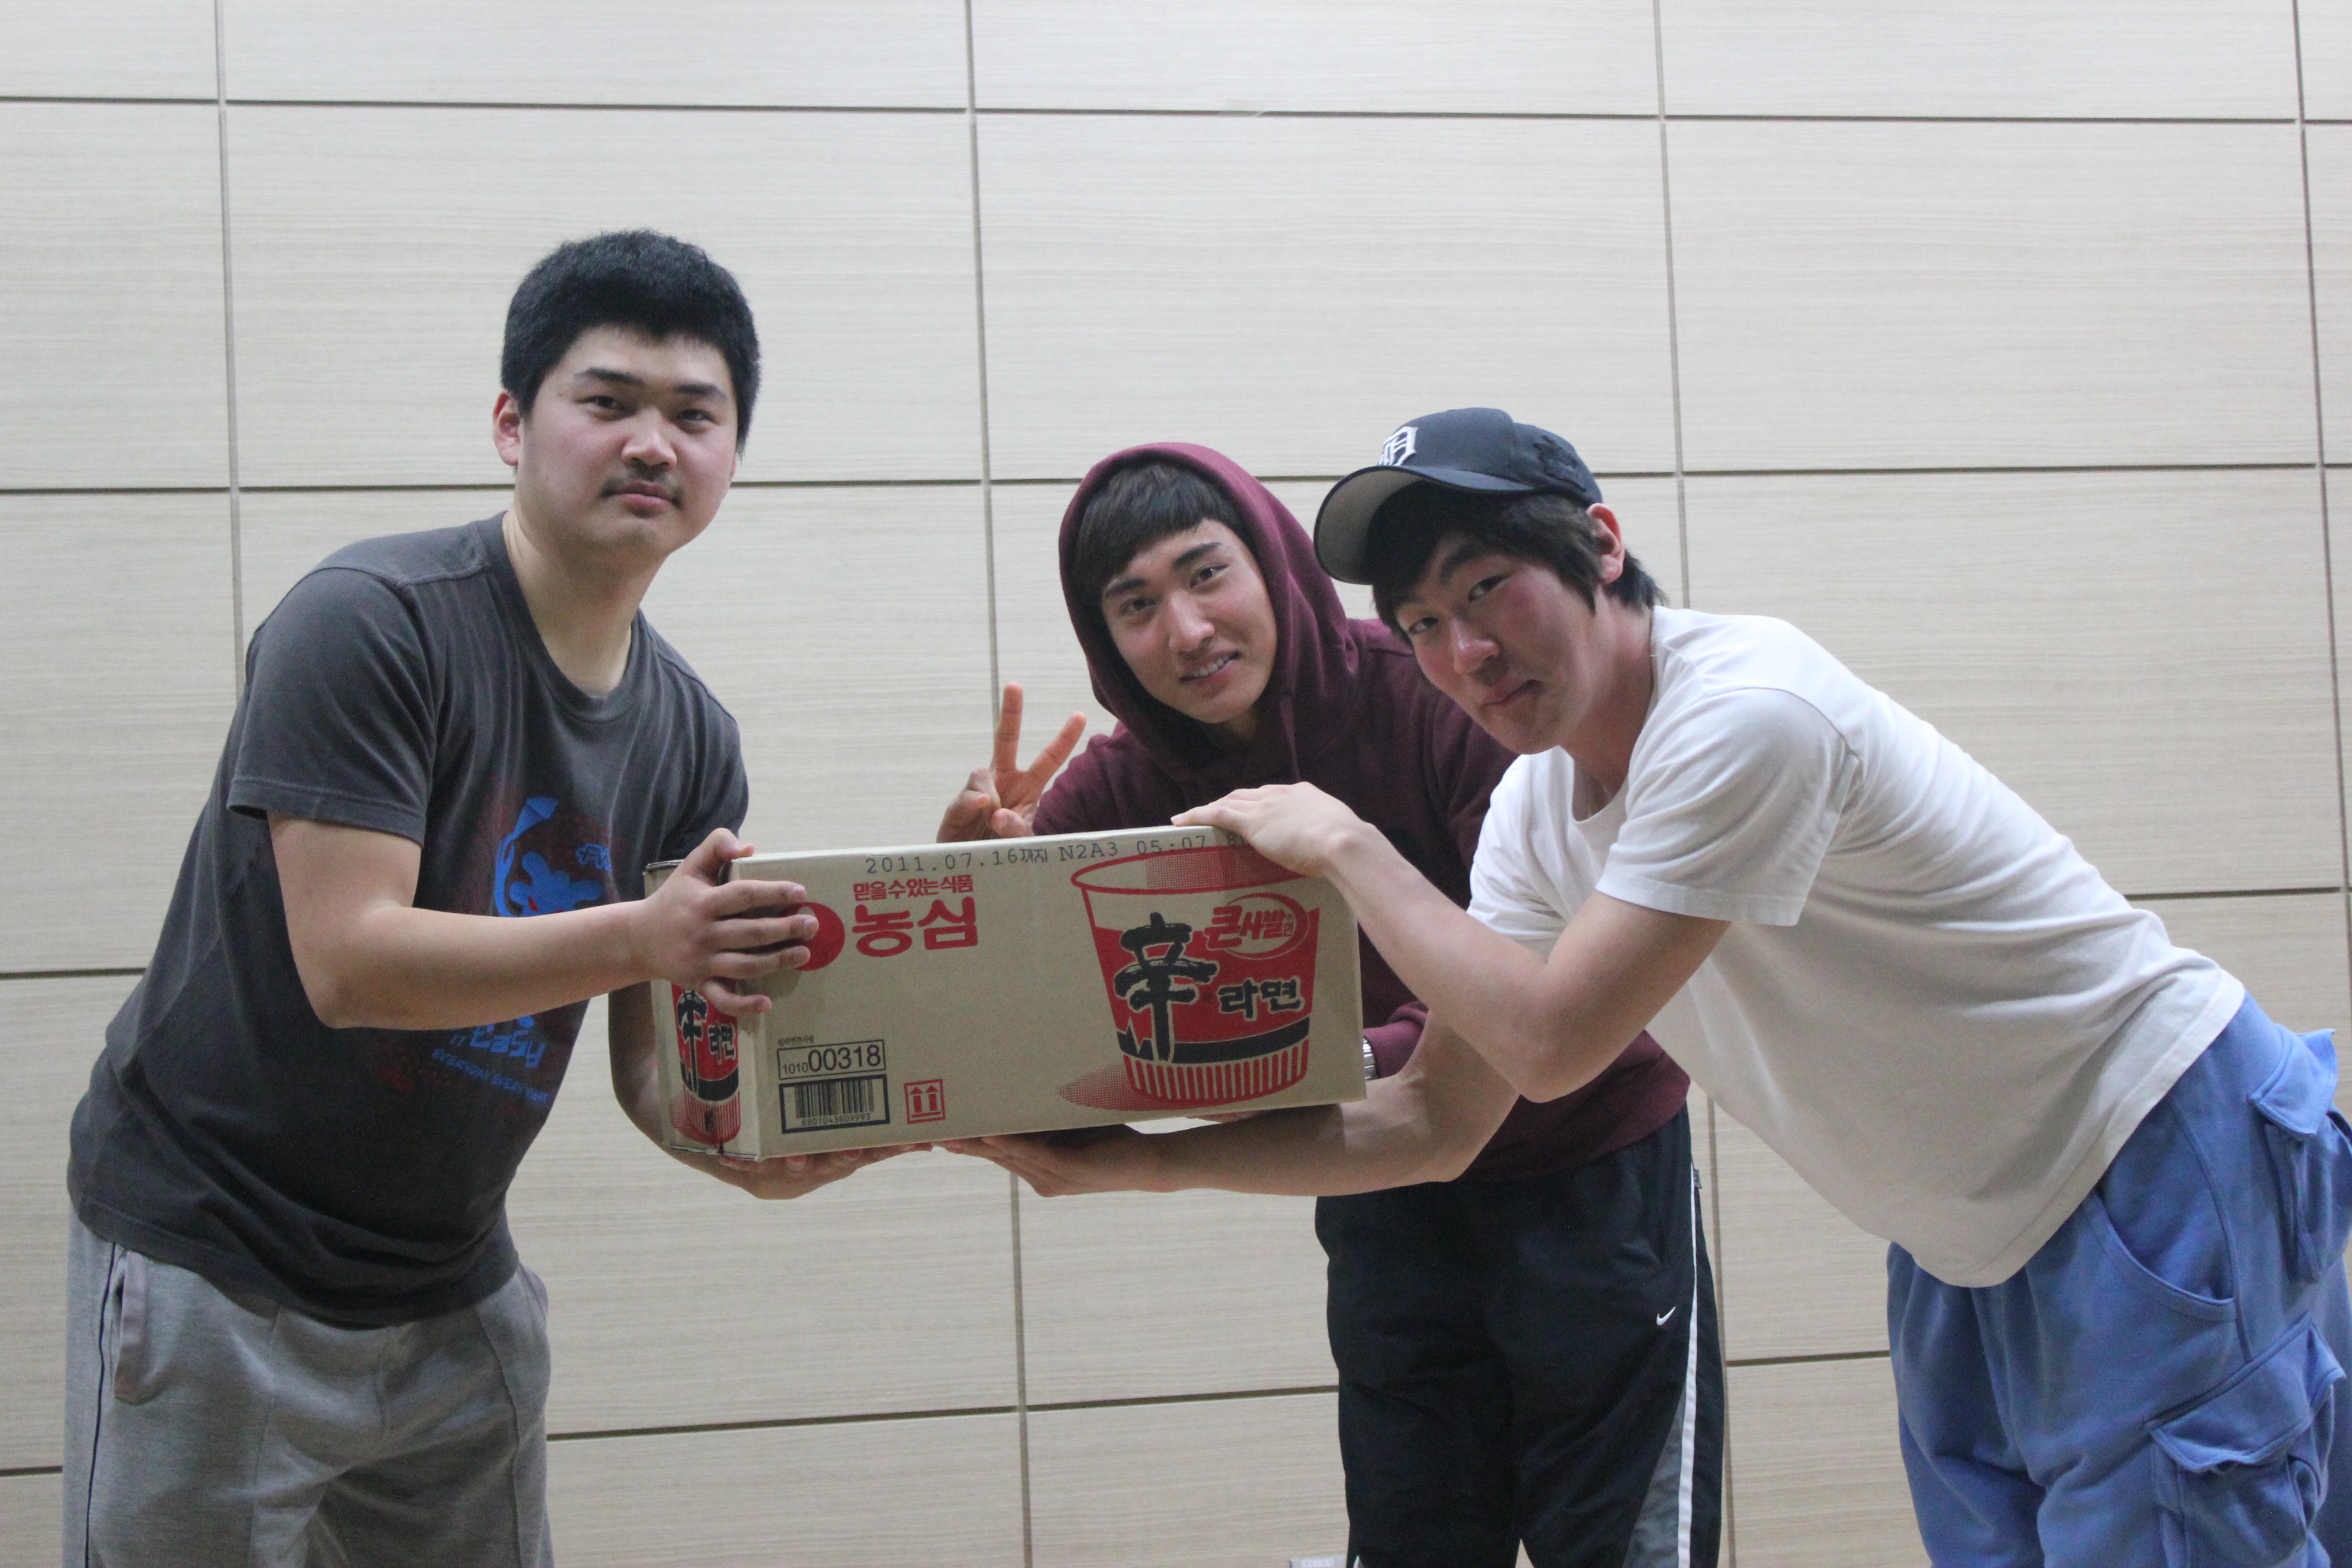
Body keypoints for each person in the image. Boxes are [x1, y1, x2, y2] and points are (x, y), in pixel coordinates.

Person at [970, 407, 2352, 1566]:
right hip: (1965, 1231)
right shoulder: (1535, 814)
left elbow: (1555, 1044)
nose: (1462, 651)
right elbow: (1437, 1121)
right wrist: (1128, 1166)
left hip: (2150, 1147)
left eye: (1486, 589)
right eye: (1424, 621)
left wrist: (1346, 848)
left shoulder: (1746, 711)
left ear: (1602, 544)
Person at [62, 230, 887, 1568]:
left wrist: (740, 1148)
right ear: (512, 424)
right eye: (607, 401)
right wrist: (643, 936)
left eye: (696, 415)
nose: (652, 444)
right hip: (216, 1254)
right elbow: (351, 964)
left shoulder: (694, 739)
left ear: (733, 456)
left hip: (447, 1280)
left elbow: (647, 1069)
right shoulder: (368, 621)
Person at [941, 444, 1722, 1568]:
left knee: (1620, 1544)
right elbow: (990, 1010)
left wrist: (1315, 1059)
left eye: (1206, 573)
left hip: (1589, 1169)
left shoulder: (1440, 698)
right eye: (1136, 606)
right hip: (1383, 1183)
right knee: (1411, 1536)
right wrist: (971, 877)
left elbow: (1516, 1004)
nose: (1186, 630)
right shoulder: (1127, 779)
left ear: (1270, 561)